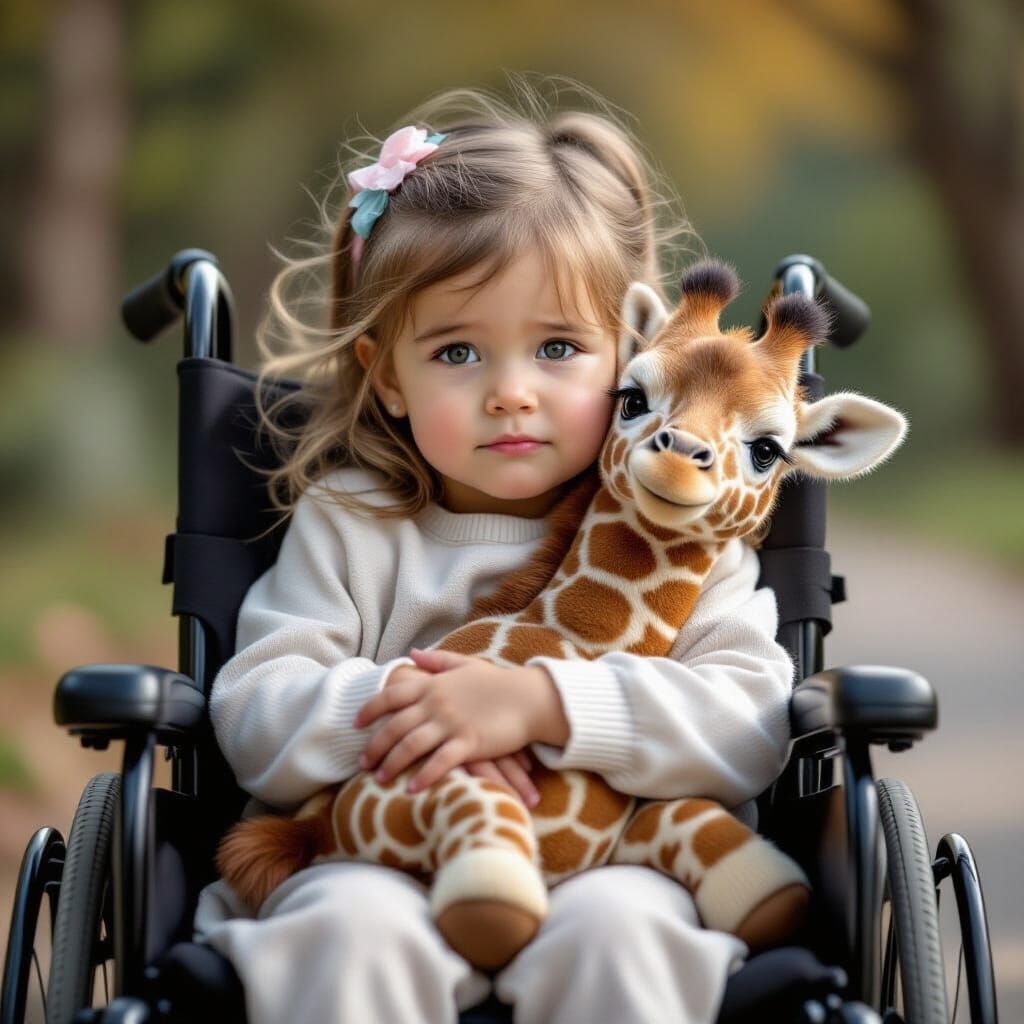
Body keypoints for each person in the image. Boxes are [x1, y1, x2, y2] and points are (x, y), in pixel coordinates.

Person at [192, 76, 795, 1024]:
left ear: (632, 356)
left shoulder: (682, 537)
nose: (512, 391)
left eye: (558, 349)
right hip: (383, 857)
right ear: (386, 374)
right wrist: (412, 709)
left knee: (627, 937)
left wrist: (545, 702)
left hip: (610, 861)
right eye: (458, 353)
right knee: (347, 931)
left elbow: (748, 725)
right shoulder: (356, 523)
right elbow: (258, 712)